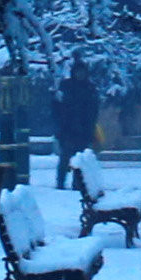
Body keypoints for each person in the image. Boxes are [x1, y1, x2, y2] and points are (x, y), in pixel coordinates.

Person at [52, 61, 100, 191]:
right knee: (65, 156)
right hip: (67, 128)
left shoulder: (89, 88)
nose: (80, 74)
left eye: (82, 72)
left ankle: (77, 183)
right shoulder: (66, 86)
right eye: (78, 71)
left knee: (80, 159)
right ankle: (61, 182)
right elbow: (57, 107)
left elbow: (93, 110)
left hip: (84, 129)